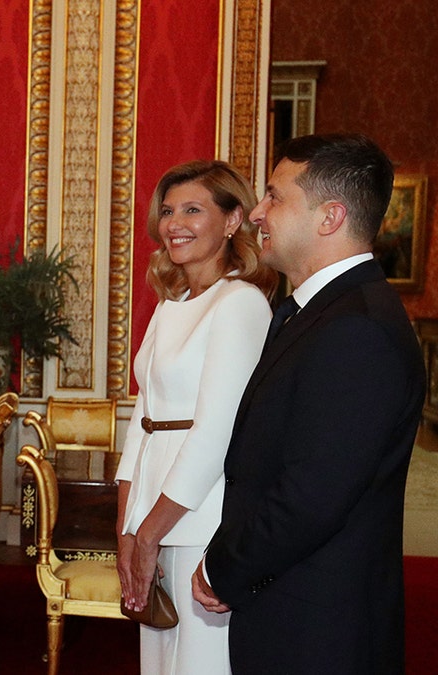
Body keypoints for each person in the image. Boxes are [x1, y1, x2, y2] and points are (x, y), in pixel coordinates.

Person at [192, 134, 426, 674]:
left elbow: (312, 495)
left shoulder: (358, 328)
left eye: (275, 196)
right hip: (292, 609)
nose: (256, 212)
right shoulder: (317, 311)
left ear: (330, 217)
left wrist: (224, 566)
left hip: (320, 631)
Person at [115, 160, 276, 674]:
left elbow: (215, 435)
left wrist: (149, 532)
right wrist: (127, 526)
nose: (174, 223)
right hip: (154, 517)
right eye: (167, 211)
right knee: (159, 663)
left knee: (199, 666)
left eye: (192, 209)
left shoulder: (240, 303)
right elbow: (144, 416)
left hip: (201, 518)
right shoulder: (173, 300)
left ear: (232, 221)